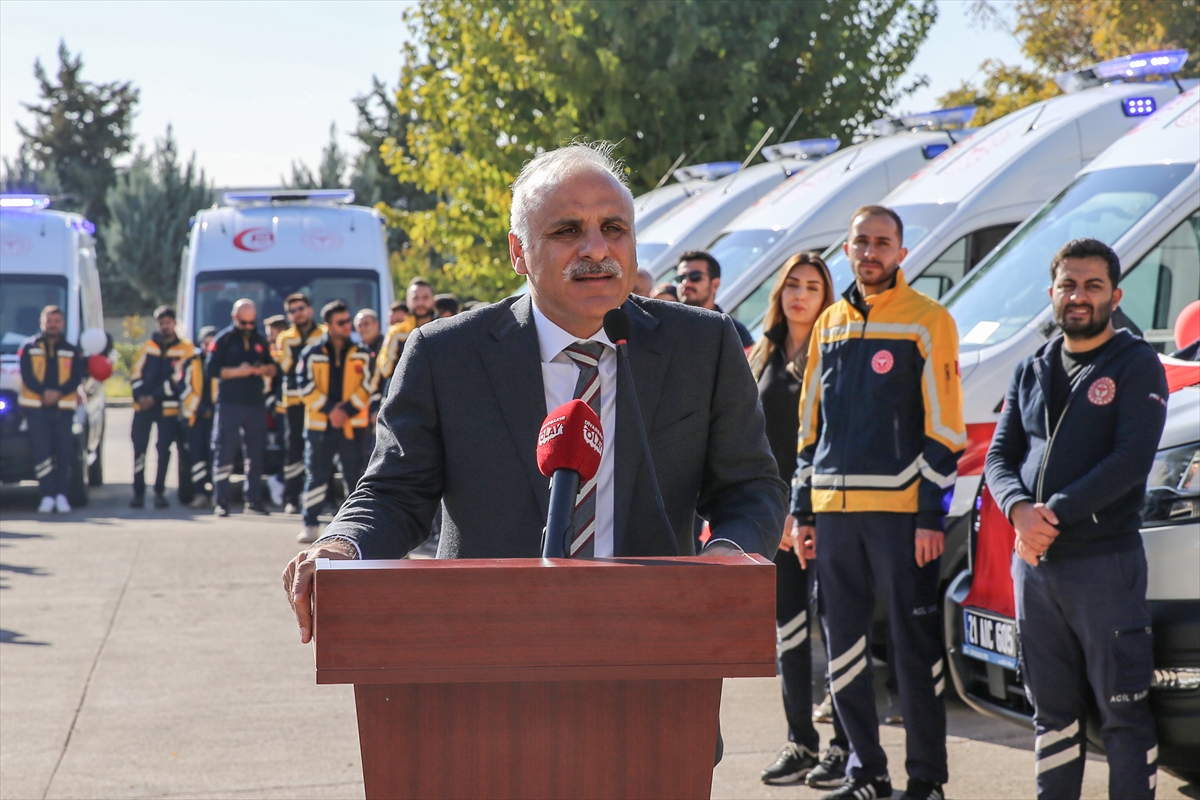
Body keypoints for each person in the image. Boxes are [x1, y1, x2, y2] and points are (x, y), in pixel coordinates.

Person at [284, 140, 786, 651]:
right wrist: (342, 545)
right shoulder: (446, 355)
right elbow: (394, 492)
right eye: (568, 230)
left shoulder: (702, 345)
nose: (596, 248)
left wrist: (729, 553)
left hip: (656, 650)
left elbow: (750, 486)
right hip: (490, 656)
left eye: (614, 228)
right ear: (518, 252)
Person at [790, 206, 965, 800]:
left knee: (914, 654)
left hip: (899, 521)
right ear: (847, 249)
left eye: (882, 243)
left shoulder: (929, 320)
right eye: (861, 242)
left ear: (902, 253)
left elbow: (947, 431)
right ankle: (867, 771)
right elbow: (809, 426)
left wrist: (929, 516)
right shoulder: (829, 323)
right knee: (842, 651)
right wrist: (803, 510)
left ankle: (926, 781)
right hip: (835, 518)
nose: (871, 252)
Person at [985, 239, 1168, 800]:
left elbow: (1130, 461)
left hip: (1103, 565)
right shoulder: (1032, 367)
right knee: (1052, 715)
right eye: (1069, 284)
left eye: (1092, 285)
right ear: (1052, 293)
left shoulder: (1137, 366)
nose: (1079, 296)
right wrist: (1018, 511)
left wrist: (1050, 516)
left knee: (1123, 714)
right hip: (1035, 570)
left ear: (1114, 295)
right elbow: (999, 456)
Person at [748, 253, 850, 788]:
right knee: (788, 635)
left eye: (813, 286)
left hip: (825, 515)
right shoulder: (759, 355)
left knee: (837, 633)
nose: (801, 294)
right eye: (792, 284)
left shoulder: (833, 353)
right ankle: (800, 744)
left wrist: (803, 509)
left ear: (825, 296)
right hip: (775, 521)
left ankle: (845, 748)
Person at [297, 301, 376, 543]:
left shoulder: (362, 351)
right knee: (317, 476)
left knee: (354, 477)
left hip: (352, 426)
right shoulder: (311, 352)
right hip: (321, 425)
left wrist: (347, 410)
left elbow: (369, 384)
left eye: (348, 321)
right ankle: (310, 524)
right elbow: (304, 385)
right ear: (328, 325)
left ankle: (354, 527)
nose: (347, 326)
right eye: (341, 322)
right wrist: (331, 410)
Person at [207, 299, 276, 517]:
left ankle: (253, 501)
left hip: (255, 403)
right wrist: (240, 371)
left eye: (251, 323)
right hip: (230, 403)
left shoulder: (259, 339)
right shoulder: (224, 339)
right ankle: (222, 501)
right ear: (234, 318)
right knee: (225, 452)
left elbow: (274, 368)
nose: (248, 327)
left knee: (256, 454)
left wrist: (262, 369)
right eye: (243, 323)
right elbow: (211, 369)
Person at [17, 305, 85, 514]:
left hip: (64, 408)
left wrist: (58, 393)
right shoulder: (29, 347)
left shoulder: (72, 349)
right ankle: (46, 496)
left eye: (56, 321)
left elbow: (76, 377)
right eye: (49, 320)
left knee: (64, 453)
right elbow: (26, 375)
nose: (52, 324)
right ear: (41, 323)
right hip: (36, 408)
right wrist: (43, 393)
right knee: (42, 453)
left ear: (62, 324)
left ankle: (62, 495)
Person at [129, 305, 196, 508]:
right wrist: (140, 396)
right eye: (161, 323)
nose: (164, 327)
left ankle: (159, 491)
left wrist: (154, 397)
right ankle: (138, 492)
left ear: (175, 323)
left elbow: (179, 378)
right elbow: (135, 374)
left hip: (167, 409)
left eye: (168, 323)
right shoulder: (149, 346)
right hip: (143, 408)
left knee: (163, 450)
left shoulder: (185, 349)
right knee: (139, 449)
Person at [275, 293, 325, 514]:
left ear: (310, 309)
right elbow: (288, 366)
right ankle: (292, 498)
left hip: (320, 399)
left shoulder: (324, 333)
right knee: (294, 449)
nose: (298, 313)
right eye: (293, 310)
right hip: (294, 400)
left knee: (323, 447)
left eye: (301, 308)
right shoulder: (285, 338)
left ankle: (327, 499)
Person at [676, 251, 754, 347]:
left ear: (715, 284)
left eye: (695, 276)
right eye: (680, 278)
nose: (686, 283)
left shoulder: (734, 332)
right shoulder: (668, 324)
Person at [181, 326, 218, 508]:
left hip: (217, 418)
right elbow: (185, 388)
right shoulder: (192, 362)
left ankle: (215, 494)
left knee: (215, 457)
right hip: (196, 417)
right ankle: (199, 493)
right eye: (205, 343)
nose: (208, 346)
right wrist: (201, 408)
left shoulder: (222, 361)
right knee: (197, 457)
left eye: (212, 343)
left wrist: (214, 408)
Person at [376, 279, 436, 387]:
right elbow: (385, 369)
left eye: (425, 298)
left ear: (433, 300)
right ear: (408, 301)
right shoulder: (396, 332)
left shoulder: (444, 329)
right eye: (415, 298)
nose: (420, 303)